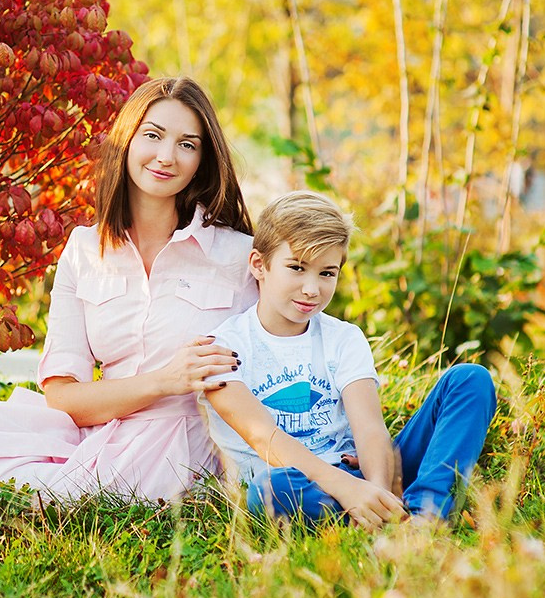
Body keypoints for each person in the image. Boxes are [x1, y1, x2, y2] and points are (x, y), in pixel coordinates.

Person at [0, 77, 257, 539]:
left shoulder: (241, 257)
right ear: (127, 140)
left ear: (203, 161)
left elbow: (295, 354)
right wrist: (163, 380)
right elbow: (62, 397)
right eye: (153, 135)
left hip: (181, 446)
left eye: (187, 144)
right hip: (94, 430)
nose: (166, 156)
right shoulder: (85, 248)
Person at [200, 191, 496, 528]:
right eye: (297, 268)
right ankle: (376, 517)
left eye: (327, 273)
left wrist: (376, 491)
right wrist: (349, 490)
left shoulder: (343, 338)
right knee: (269, 489)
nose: (311, 288)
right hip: (298, 484)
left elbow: (369, 428)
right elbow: (265, 439)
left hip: (359, 472)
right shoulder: (223, 347)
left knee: (469, 380)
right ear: (259, 265)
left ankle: (424, 514)